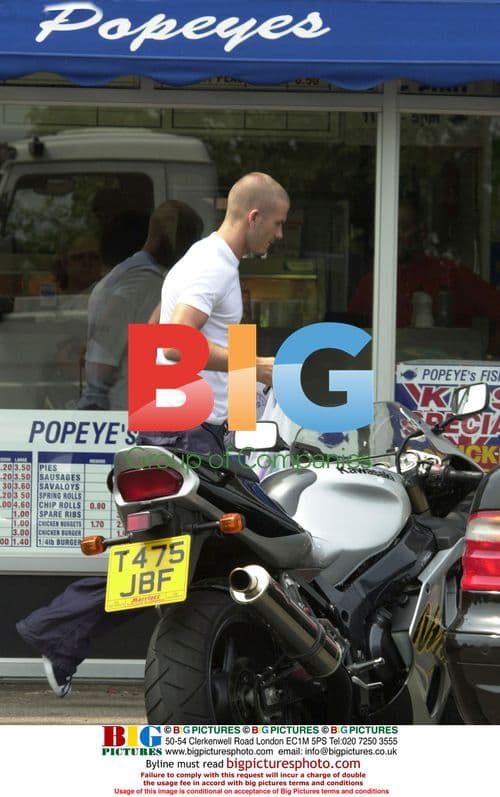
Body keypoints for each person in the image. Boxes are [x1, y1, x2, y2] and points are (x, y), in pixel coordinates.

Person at [16, 172, 290, 697]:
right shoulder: (212, 266)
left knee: (191, 553)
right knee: (202, 551)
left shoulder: (201, 261)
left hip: (184, 425)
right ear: (254, 217)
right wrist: (254, 367)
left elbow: (153, 326)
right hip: (186, 431)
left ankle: (71, 635)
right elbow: (173, 342)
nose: (277, 237)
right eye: (276, 225)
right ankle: (64, 633)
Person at [78, 201, 203, 410]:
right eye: (186, 241)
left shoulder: (120, 276)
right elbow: (100, 369)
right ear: (165, 237)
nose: (187, 252)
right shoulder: (145, 285)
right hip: (126, 415)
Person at [349, 198, 500, 352]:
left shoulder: (449, 274)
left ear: (421, 232)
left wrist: (489, 364)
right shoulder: (372, 283)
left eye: (403, 227)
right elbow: (349, 339)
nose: (396, 235)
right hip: (386, 373)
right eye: (390, 228)